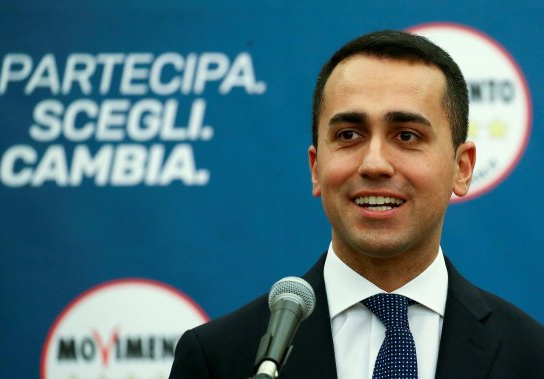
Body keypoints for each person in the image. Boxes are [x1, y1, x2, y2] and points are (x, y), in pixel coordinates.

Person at [169, 30, 544, 379]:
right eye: (349, 135)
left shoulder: (531, 355)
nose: (374, 163)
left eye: (407, 135)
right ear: (316, 169)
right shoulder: (219, 357)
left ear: (461, 169)